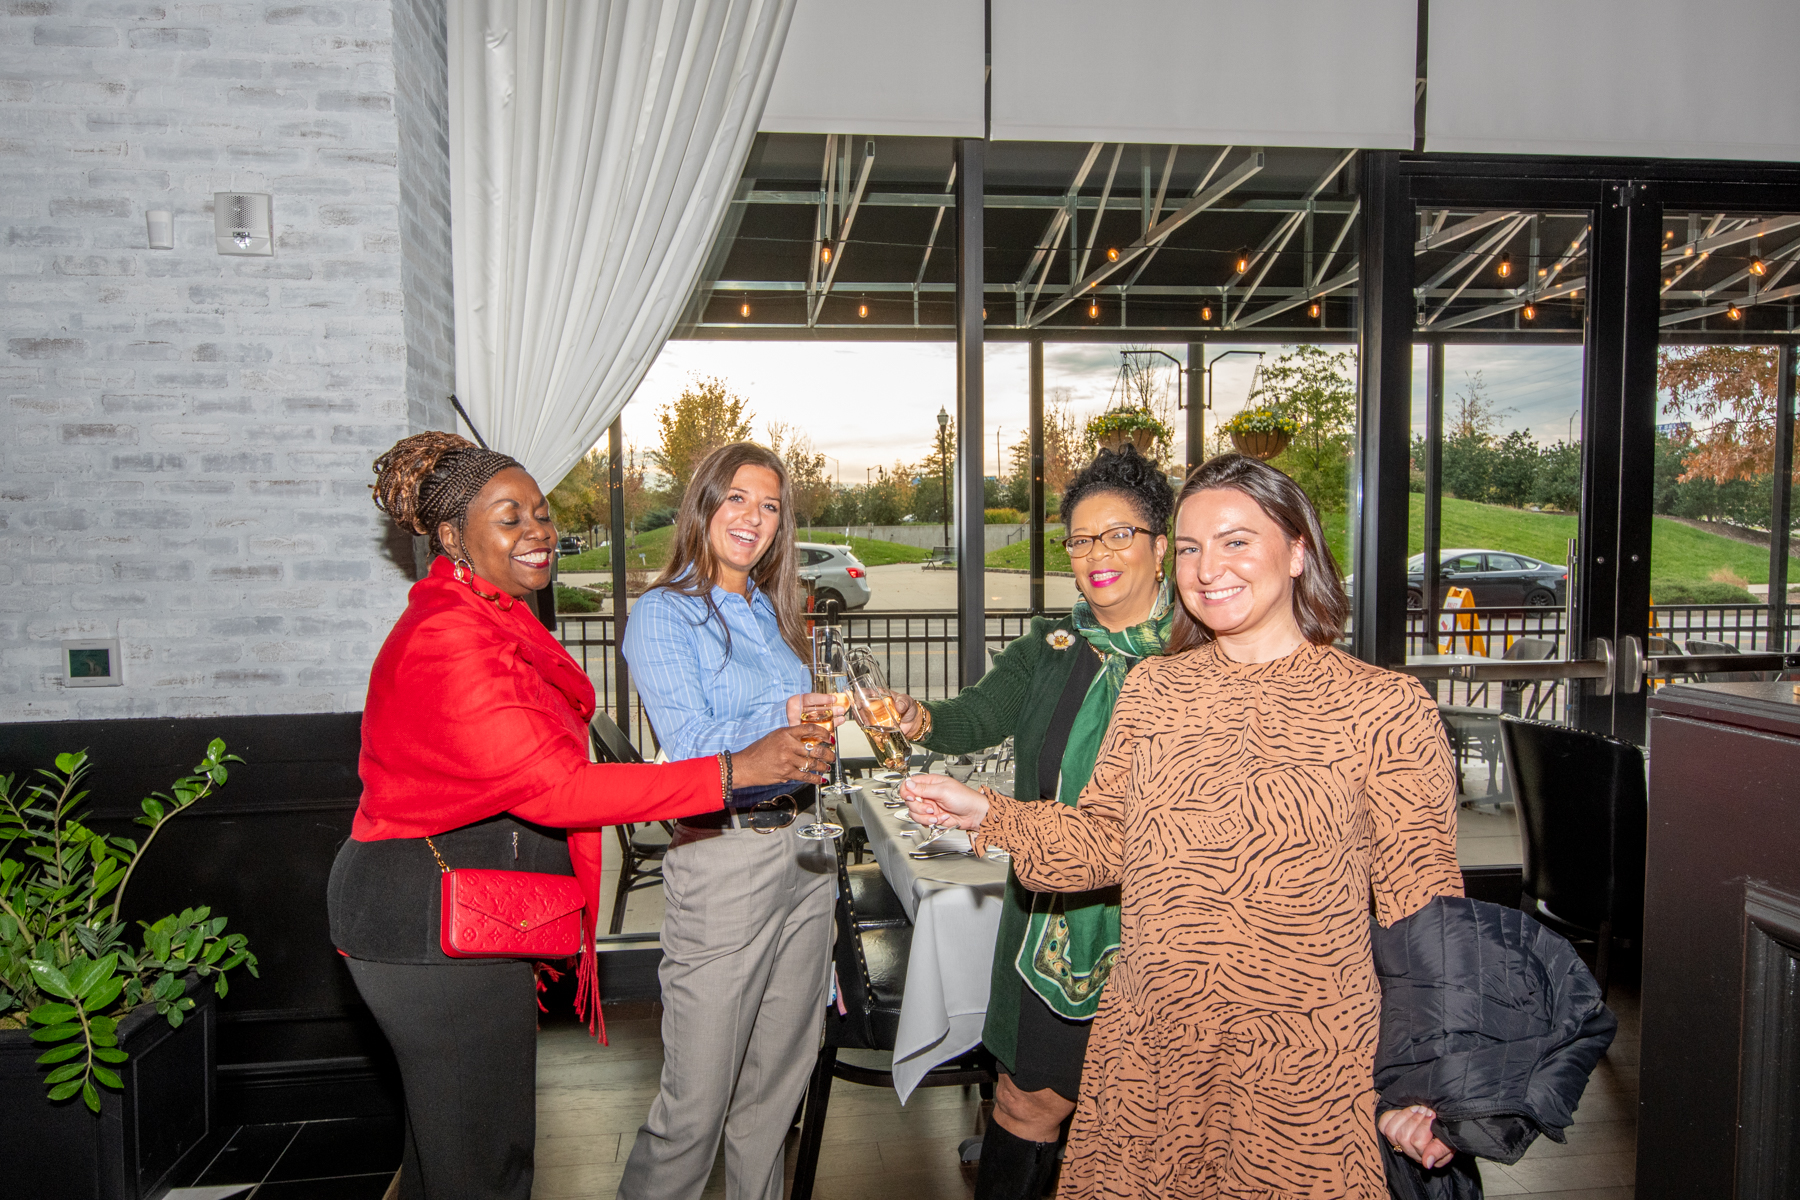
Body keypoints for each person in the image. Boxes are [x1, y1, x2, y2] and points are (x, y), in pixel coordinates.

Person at [901, 453, 1466, 1199]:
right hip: (1152, 1050)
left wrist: (1427, 1079)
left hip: (1303, 1063)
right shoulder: (1156, 689)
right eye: (1194, 547)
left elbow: (1423, 907)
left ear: (1298, 551)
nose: (1208, 569)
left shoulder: (1385, 708)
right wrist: (990, 814)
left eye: (1236, 541)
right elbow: (1106, 841)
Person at [328, 432, 825, 1200]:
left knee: (453, 1162)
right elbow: (556, 790)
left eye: (541, 512)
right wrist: (737, 770)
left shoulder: (490, 615)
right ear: (453, 536)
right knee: (484, 1170)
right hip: (428, 920)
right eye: (510, 517)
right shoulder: (449, 635)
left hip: (470, 906)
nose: (537, 530)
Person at [885, 445, 1174, 1200]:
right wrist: (918, 718)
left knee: (1146, 1125)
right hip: (1049, 913)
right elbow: (975, 715)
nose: (1096, 554)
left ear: (1161, 546)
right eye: (1079, 540)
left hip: (1161, 928)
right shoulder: (1050, 647)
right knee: (1023, 1103)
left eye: (1118, 535)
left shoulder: (1199, 655)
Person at [617, 442, 841, 1200]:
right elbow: (688, 747)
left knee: (774, 1097)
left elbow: (796, 743)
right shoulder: (665, 612)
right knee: (694, 1110)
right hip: (725, 861)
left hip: (806, 853)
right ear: (704, 505)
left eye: (770, 505)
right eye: (738, 498)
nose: (754, 517)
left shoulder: (773, 611)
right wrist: (783, 715)